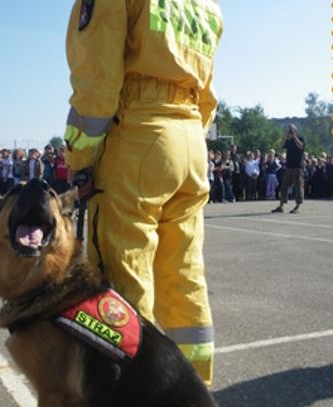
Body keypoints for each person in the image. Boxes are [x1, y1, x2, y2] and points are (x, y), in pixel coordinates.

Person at [64, 0, 223, 386]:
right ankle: (194, 388)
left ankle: (135, 390)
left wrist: (80, 157)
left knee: (125, 273)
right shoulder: (207, 7)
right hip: (190, 140)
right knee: (184, 274)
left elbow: (97, 80)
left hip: (139, 135)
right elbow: (207, 93)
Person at [272, 124, 306, 213]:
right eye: (289, 130)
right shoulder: (288, 140)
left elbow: (301, 146)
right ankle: (281, 206)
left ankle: (297, 206)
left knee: (298, 187)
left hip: (298, 167)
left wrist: (294, 136)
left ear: (296, 130)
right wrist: (285, 136)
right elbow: (281, 146)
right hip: (289, 167)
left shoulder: (300, 138)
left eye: (291, 130)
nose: (290, 131)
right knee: (284, 186)